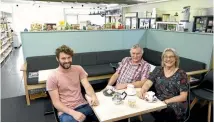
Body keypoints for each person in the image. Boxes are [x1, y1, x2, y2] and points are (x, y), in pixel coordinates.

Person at [46, 45, 99, 122]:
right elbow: (56, 102)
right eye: (63, 58)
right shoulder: (52, 76)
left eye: (69, 57)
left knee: (105, 117)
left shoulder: (78, 69)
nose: (67, 61)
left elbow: (87, 86)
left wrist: (93, 96)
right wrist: (74, 113)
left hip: (83, 105)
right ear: (57, 59)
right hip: (66, 111)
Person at [140, 48, 188, 121]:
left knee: (167, 110)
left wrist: (165, 102)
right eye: (166, 56)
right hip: (159, 100)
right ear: (163, 59)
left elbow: (183, 97)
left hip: (174, 103)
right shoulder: (158, 69)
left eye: (171, 57)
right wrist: (143, 90)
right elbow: (148, 82)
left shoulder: (181, 73)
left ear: (176, 59)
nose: (168, 59)